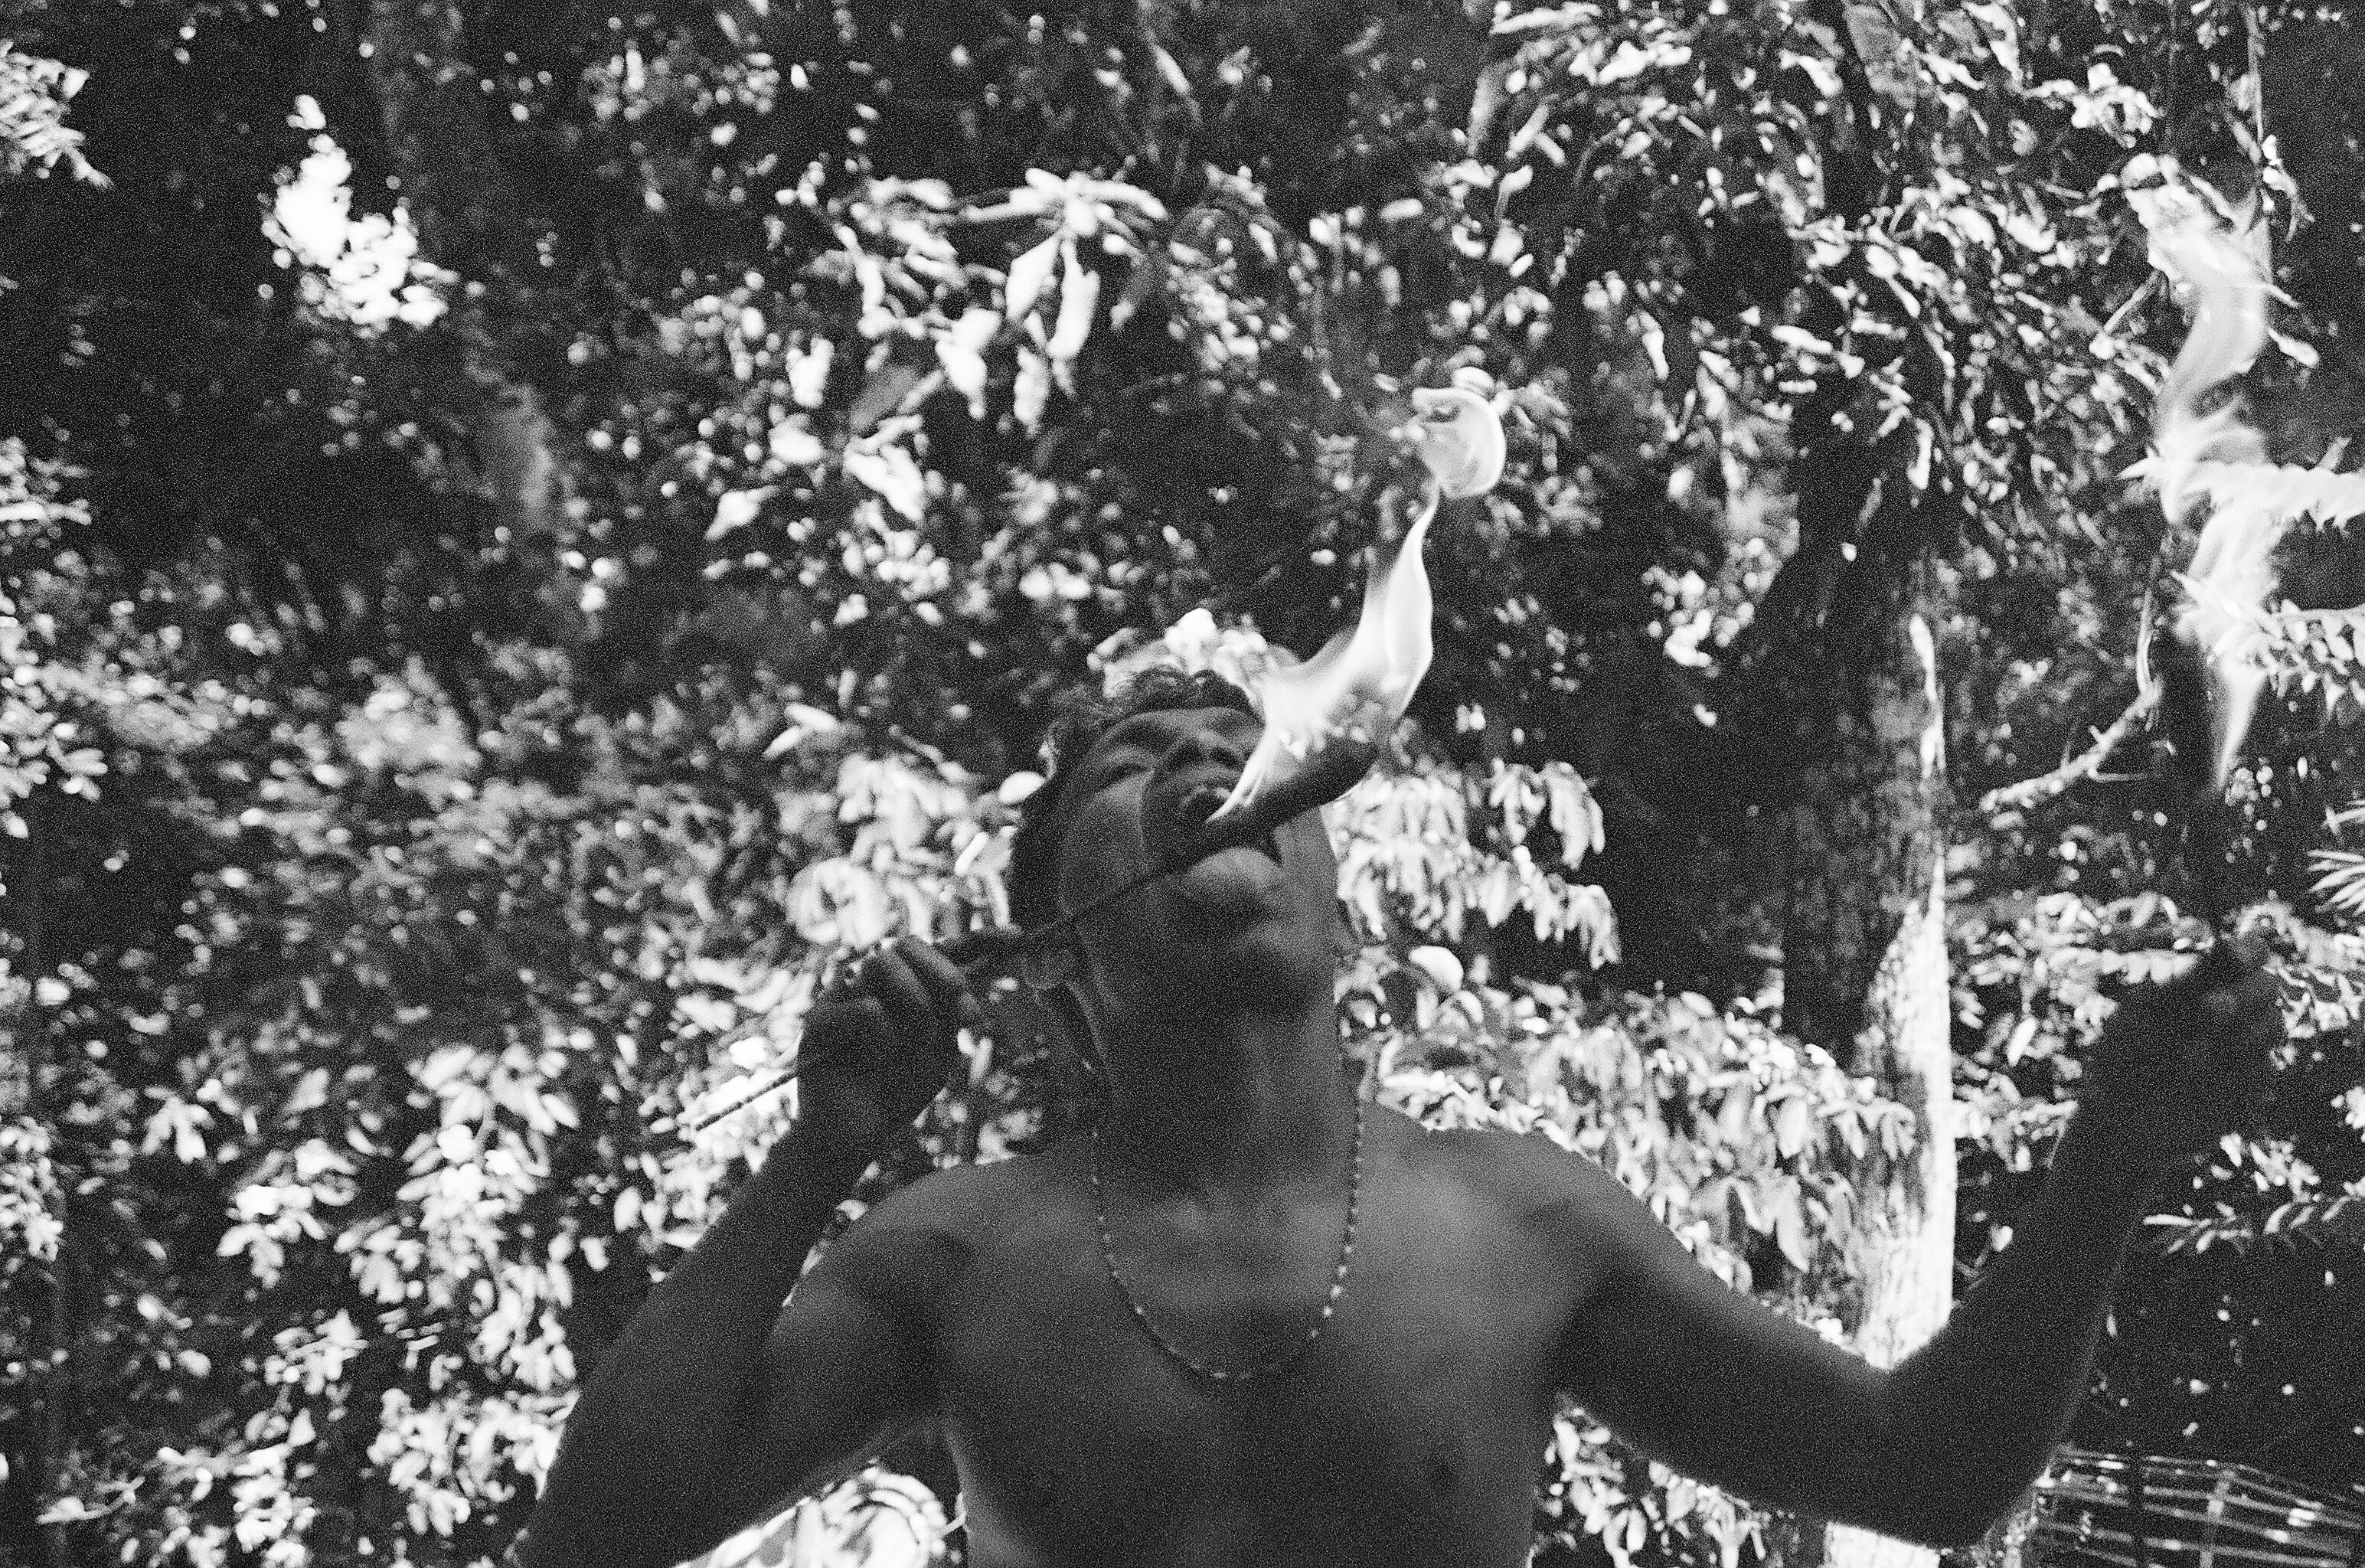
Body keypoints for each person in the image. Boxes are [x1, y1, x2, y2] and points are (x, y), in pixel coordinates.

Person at [521, 666, 2283, 1568]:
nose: (1205, 766)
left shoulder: (1523, 1230)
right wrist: (818, 1153)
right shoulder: (951, 1254)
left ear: (1339, 909)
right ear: (1052, 965)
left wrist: (2111, 1160)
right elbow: (598, 1541)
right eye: (1138, 763)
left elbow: (1931, 1471)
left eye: (1241, 752)